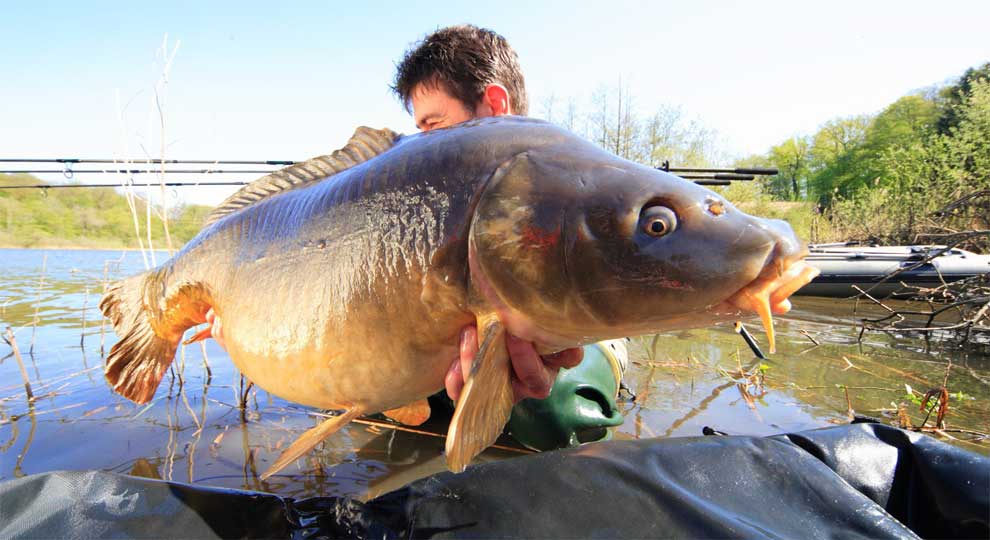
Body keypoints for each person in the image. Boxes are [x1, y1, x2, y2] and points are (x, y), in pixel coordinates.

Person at [204, 24, 584, 407]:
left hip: (535, 393)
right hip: (417, 384)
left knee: (563, 401)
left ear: (495, 108)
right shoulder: (406, 206)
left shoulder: (573, 191)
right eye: (419, 130)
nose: (422, 145)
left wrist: (547, 368)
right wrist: (245, 336)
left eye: (433, 125)